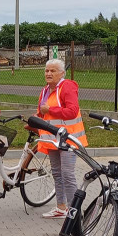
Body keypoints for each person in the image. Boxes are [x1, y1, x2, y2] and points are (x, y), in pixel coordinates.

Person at [35, 58, 88, 218]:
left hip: (68, 140)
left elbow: (72, 111)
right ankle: (61, 207)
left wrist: (51, 109)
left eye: (53, 71)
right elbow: (43, 112)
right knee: (57, 173)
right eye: (46, 71)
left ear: (62, 73)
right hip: (53, 140)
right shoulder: (45, 90)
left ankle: (74, 211)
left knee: (67, 174)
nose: (49, 73)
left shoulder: (67, 87)